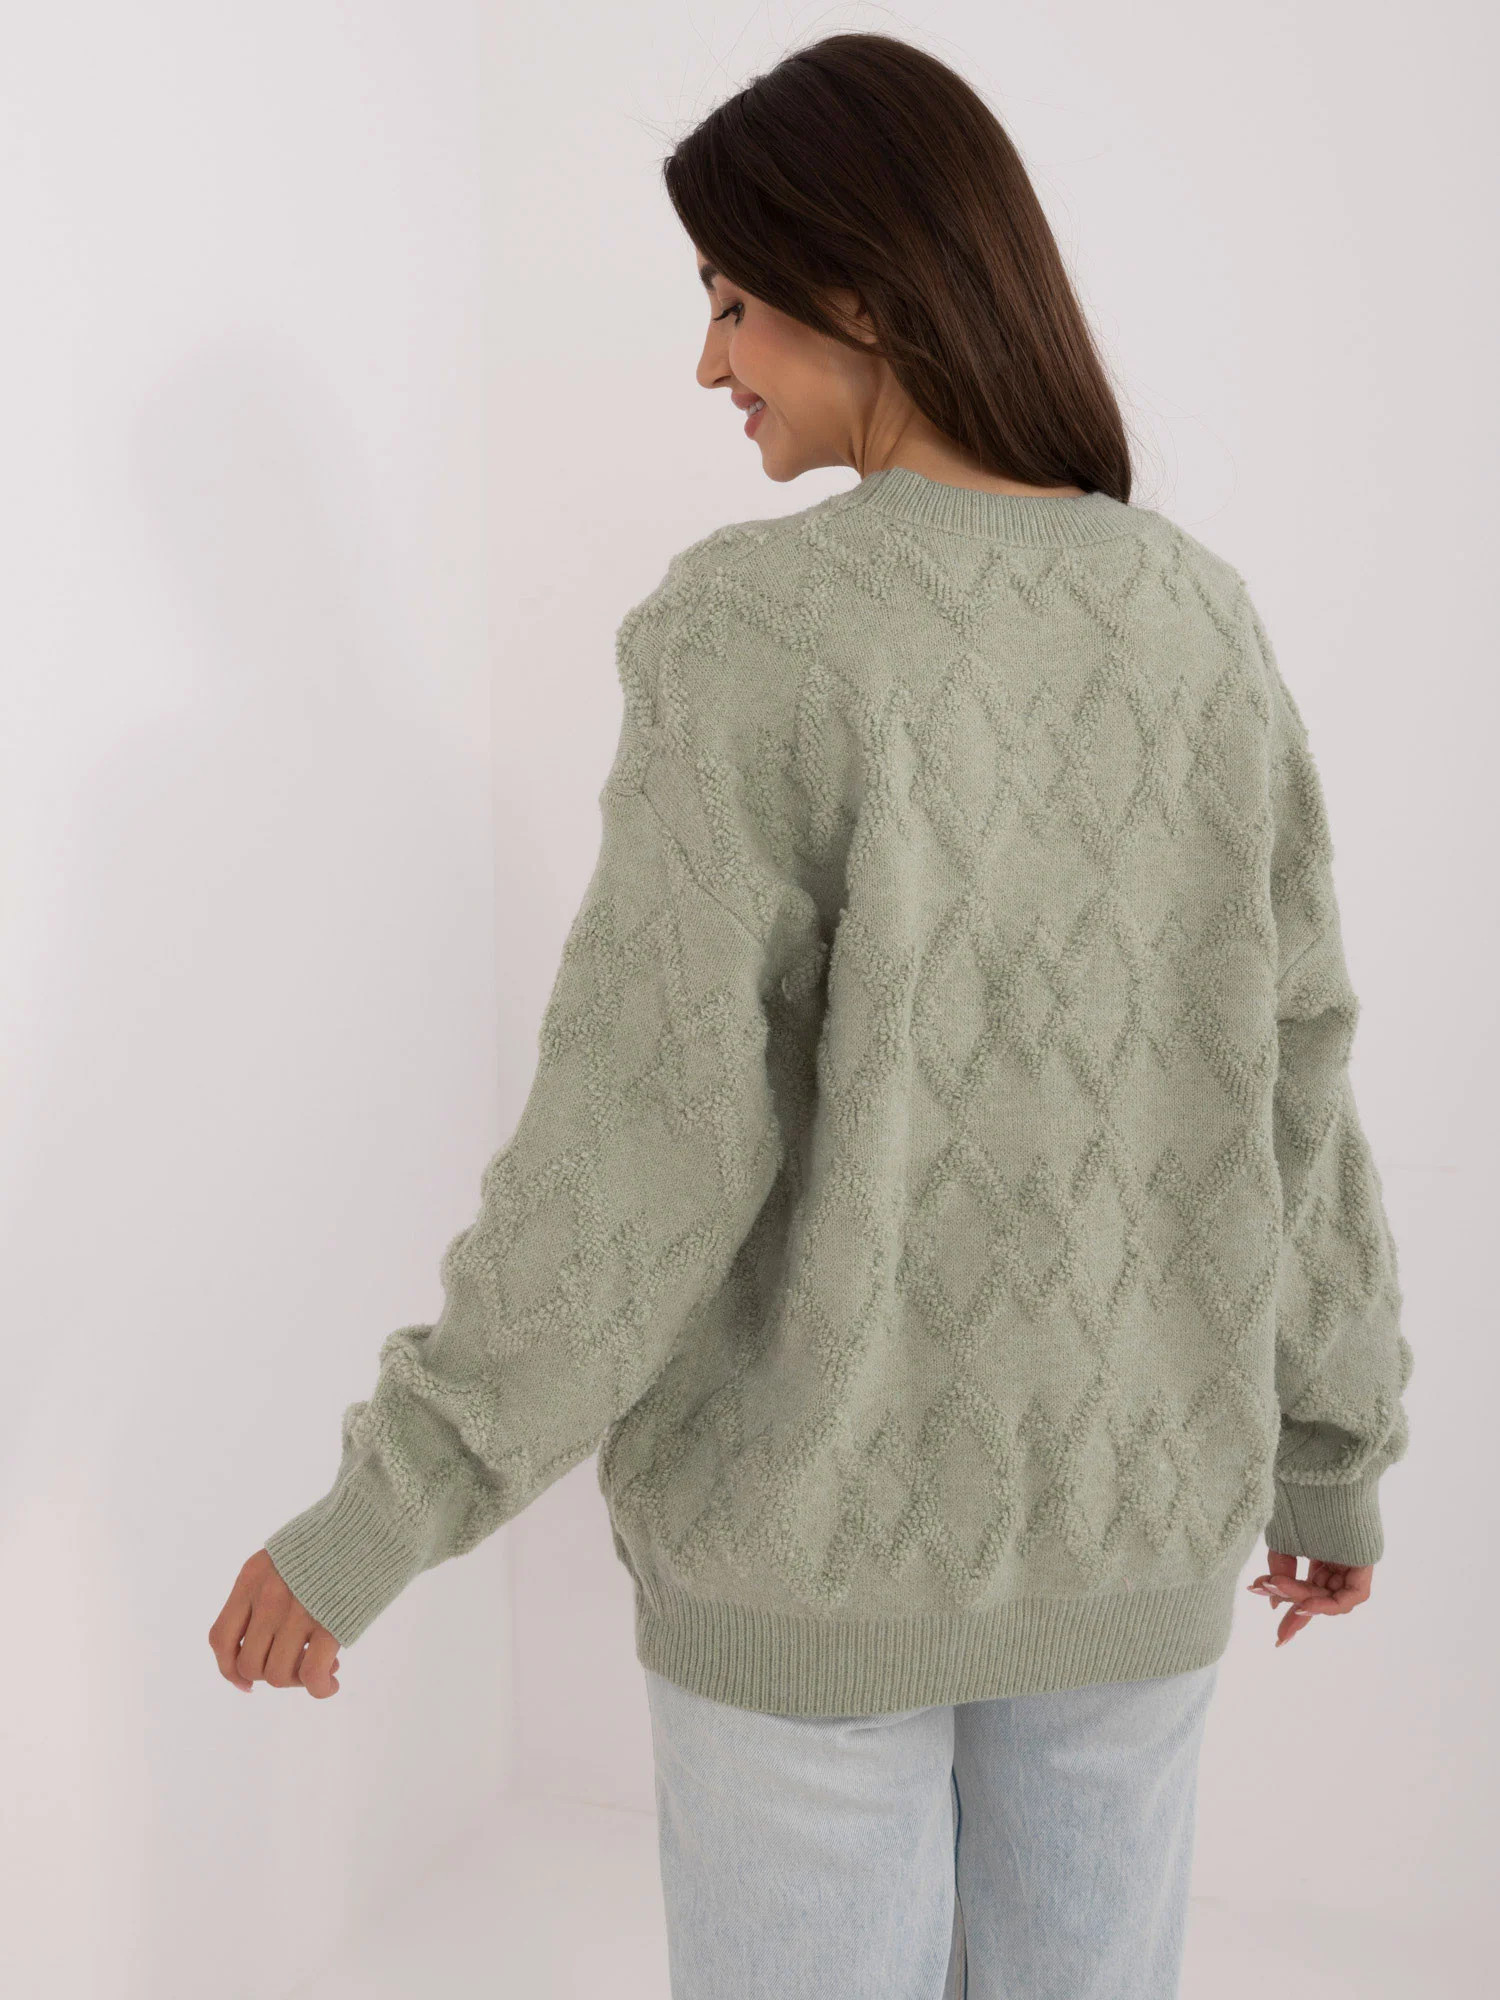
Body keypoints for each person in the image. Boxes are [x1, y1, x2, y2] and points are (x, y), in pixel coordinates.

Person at [209, 30, 1412, 2000]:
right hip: (1138, 1535)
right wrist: (1330, 1442)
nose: (711, 365)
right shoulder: (1196, 617)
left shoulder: (758, 631)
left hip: (815, 1559)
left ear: (861, 290)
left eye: (732, 303)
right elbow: (1297, 1069)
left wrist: (384, 1507)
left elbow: (639, 1142)